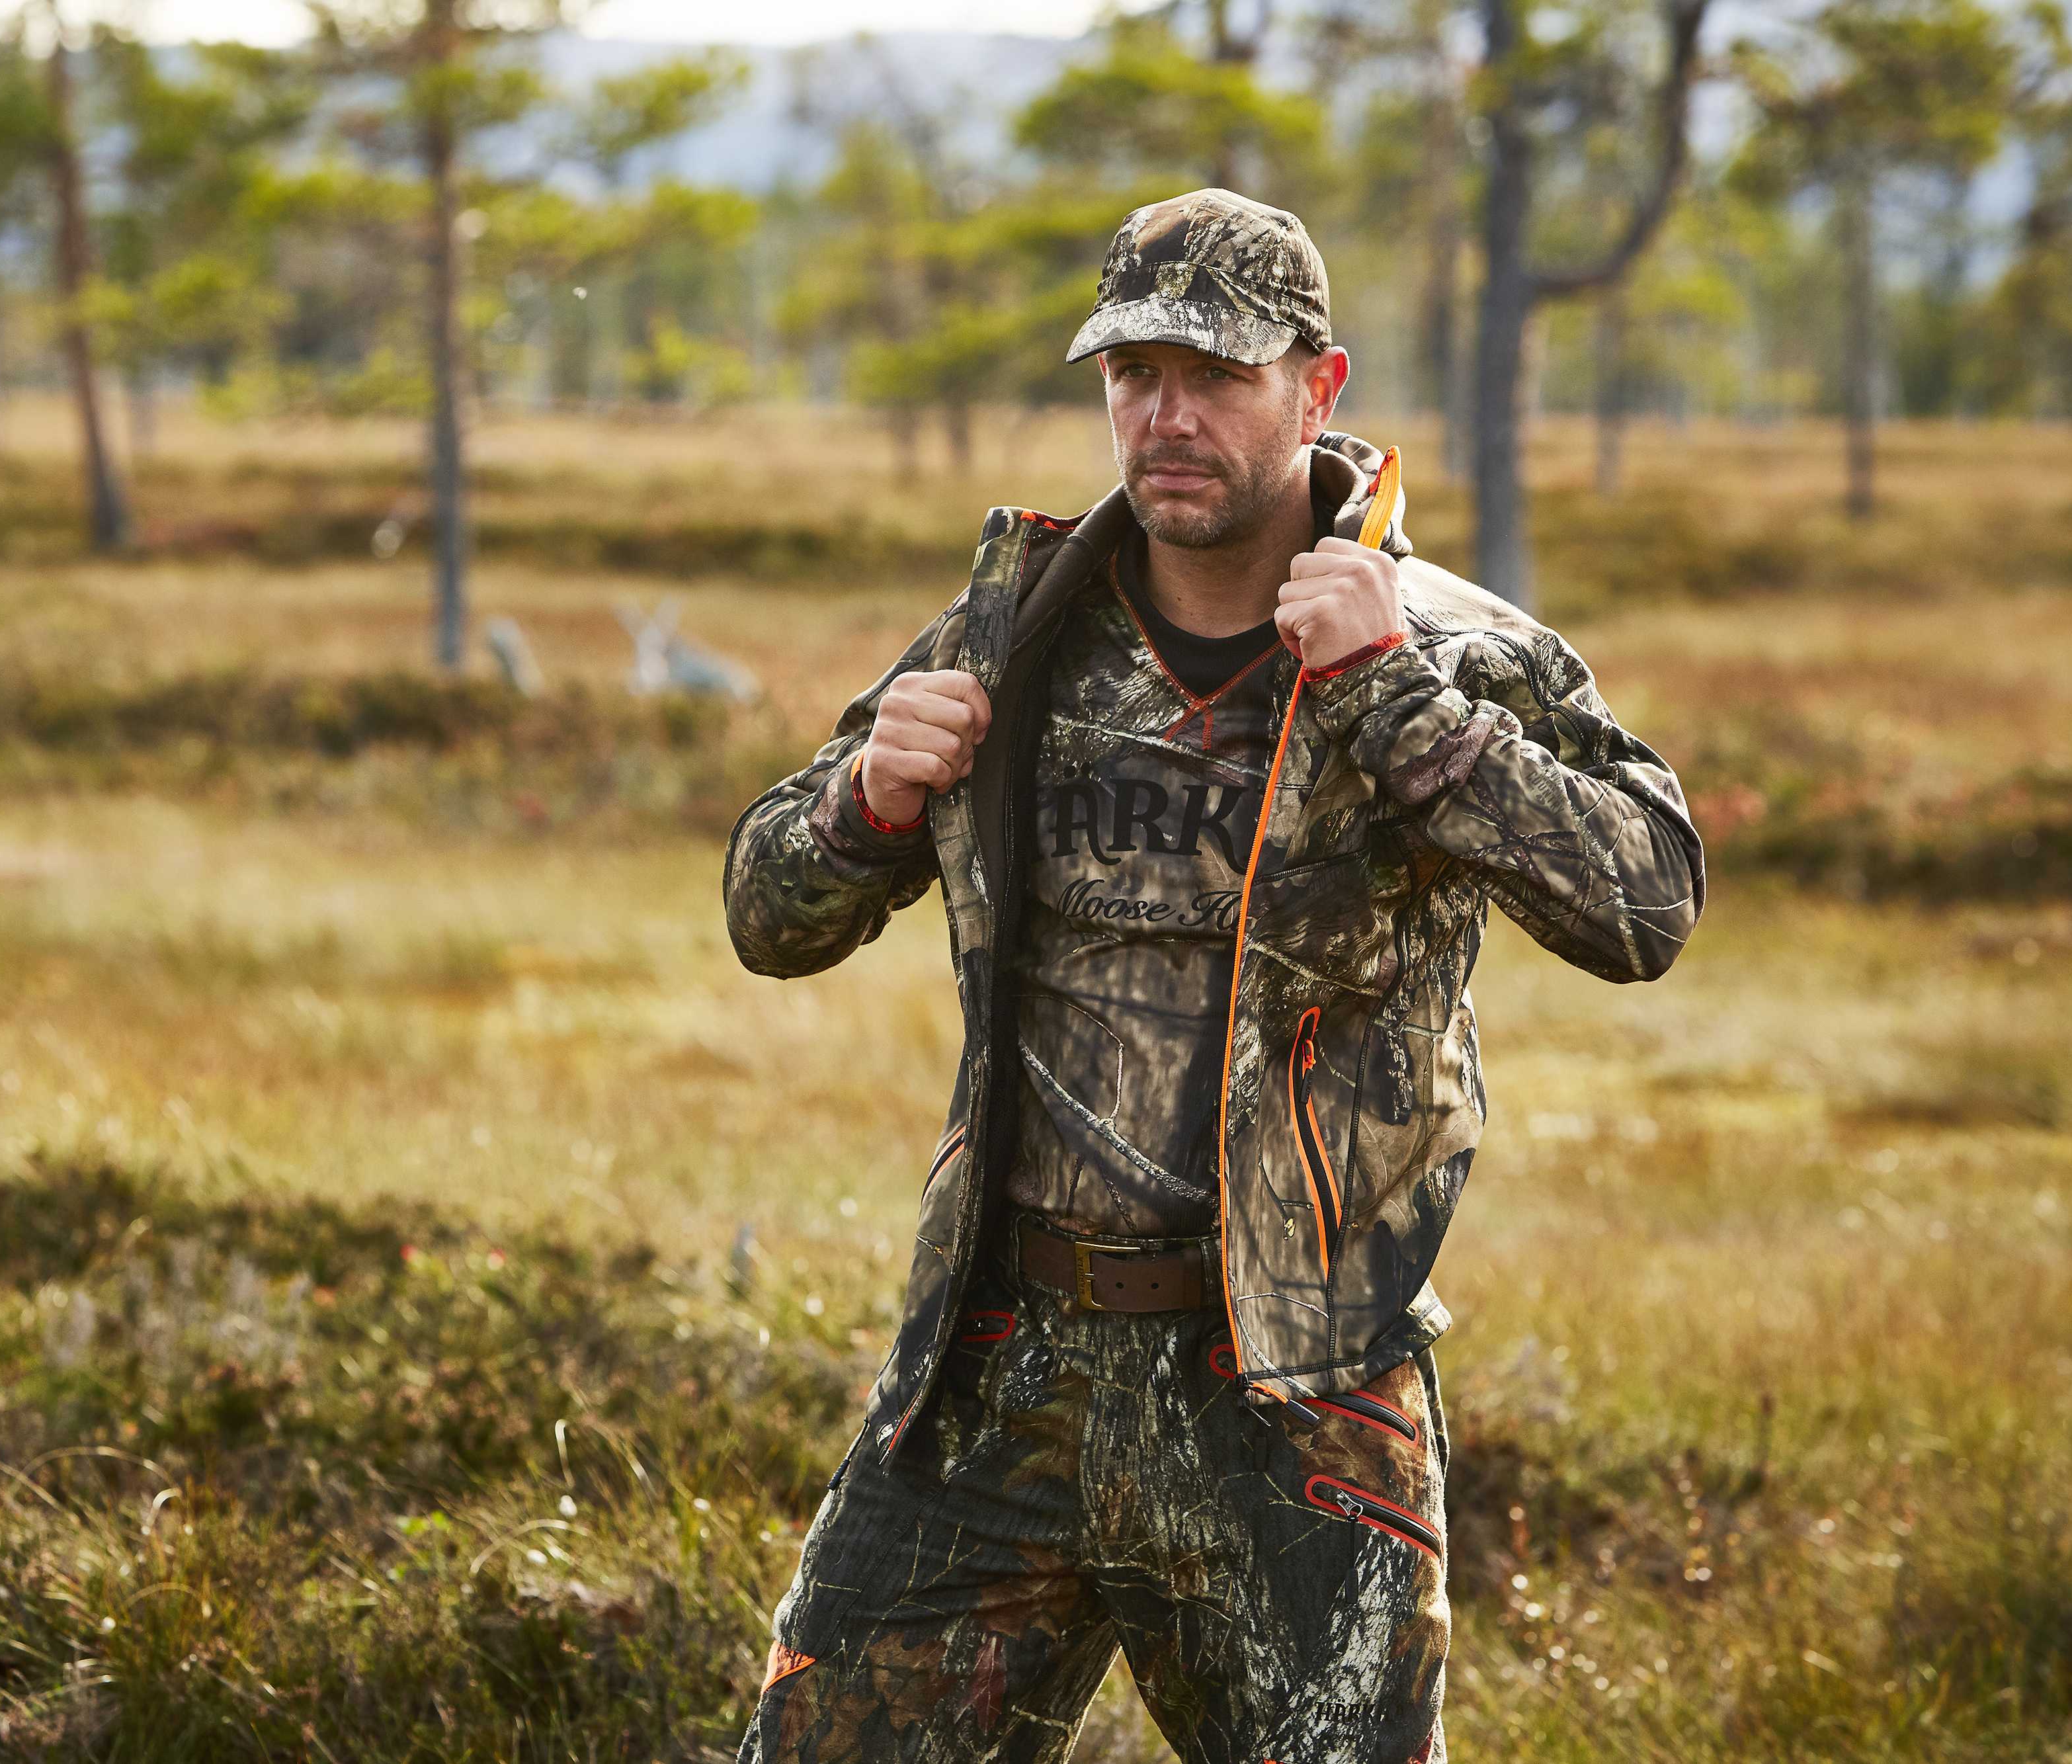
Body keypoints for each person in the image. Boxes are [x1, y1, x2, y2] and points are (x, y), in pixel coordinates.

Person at [722, 188, 1705, 1764]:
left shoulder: (1451, 647)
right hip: (999, 1370)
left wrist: (1399, 704)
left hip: (1298, 1394)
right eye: (1130, 373)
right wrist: (862, 802)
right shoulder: (1008, 636)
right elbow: (766, 911)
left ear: (1316, 387)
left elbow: (1645, 900)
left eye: (1215, 374)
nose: (1164, 415)